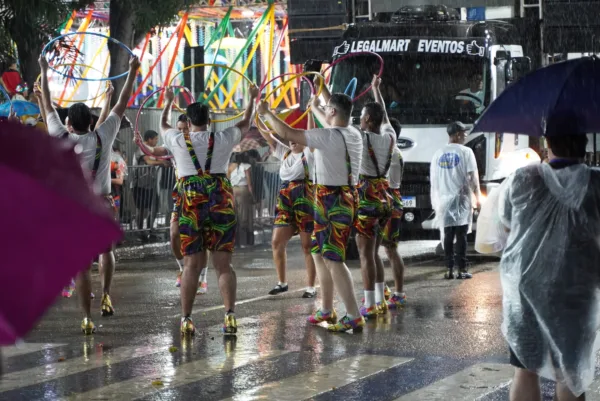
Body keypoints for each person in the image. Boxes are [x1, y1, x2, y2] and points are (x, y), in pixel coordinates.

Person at [498, 115, 600, 401]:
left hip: (526, 289)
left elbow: (506, 223)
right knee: (570, 372)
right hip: (576, 290)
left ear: (547, 143)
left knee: (525, 370)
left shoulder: (523, 178)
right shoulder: (595, 182)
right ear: (584, 142)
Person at [39, 54, 140, 334]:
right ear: (90, 121)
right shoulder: (103, 136)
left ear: (69, 123)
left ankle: (86, 318)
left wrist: (44, 69)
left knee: (82, 266)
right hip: (103, 203)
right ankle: (106, 294)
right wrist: (132, 71)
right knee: (106, 253)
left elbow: (47, 104)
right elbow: (121, 103)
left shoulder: (61, 136)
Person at [257, 88, 366, 333]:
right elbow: (329, 110)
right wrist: (319, 98)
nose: (323, 111)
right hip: (340, 196)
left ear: (333, 112)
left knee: (333, 258)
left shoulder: (327, 136)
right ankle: (326, 309)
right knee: (319, 253)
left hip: (332, 200)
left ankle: (353, 315)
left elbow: (286, 132)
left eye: (327, 109)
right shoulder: (353, 133)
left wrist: (266, 113)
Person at [160, 84, 259, 336]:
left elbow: (163, 125)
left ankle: (186, 319)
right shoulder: (224, 138)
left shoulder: (177, 139)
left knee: (192, 264)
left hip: (190, 201)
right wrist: (251, 98)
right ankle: (230, 316)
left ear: (188, 120)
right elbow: (246, 122)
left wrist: (169, 101)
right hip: (221, 200)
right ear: (210, 120)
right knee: (224, 265)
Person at [258, 112, 317, 298]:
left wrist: (311, 111)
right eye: (290, 137)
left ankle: (311, 287)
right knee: (276, 242)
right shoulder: (284, 152)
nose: (292, 140)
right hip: (285, 200)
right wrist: (256, 113)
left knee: (307, 245)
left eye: (295, 137)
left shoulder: (309, 152)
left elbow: (312, 132)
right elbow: (267, 134)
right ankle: (282, 283)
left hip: (305, 199)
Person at [354, 76, 396, 318]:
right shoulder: (389, 137)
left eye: (361, 116)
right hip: (385, 200)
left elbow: (336, 116)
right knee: (375, 252)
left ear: (367, 120)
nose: (359, 120)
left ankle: (369, 303)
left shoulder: (363, 138)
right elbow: (386, 118)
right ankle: (379, 300)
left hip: (367, 200)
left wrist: (322, 95)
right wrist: (377, 91)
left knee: (365, 254)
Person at [430, 121, 481, 280]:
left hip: (444, 200)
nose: (466, 135)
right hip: (461, 199)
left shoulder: (438, 153)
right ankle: (461, 269)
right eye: (464, 132)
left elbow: (434, 180)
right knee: (461, 235)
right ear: (457, 134)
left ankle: (449, 269)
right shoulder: (466, 152)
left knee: (447, 234)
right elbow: (472, 177)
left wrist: (437, 200)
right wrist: (477, 197)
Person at [378, 117, 407, 308]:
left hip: (389, 201)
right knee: (376, 249)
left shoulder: (392, 154)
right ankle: (382, 290)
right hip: (385, 200)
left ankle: (399, 292)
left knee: (390, 249)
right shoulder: (391, 152)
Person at [133, 130, 169, 238]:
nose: (157, 141)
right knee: (142, 210)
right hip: (139, 185)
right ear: (149, 139)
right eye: (156, 139)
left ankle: (150, 228)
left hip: (150, 185)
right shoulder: (141, 150)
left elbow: (158, 158)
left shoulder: (152, 151)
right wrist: (162, 163)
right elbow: (149, 161)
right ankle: (140, 230)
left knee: (155, 207)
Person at [228, 152, 255, 247]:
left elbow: (227, 181)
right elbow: (249, 183)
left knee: (234, 214)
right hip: (243, 190)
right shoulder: (247, 166)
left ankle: (236, 239)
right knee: (245, 214)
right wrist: (252, 195)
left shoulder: (230, 166)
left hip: (233, 190)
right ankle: (246, 240)